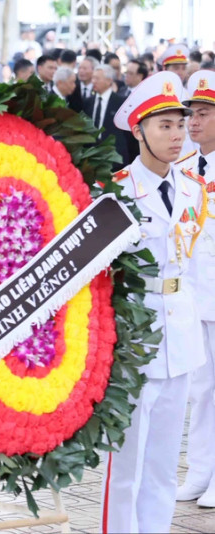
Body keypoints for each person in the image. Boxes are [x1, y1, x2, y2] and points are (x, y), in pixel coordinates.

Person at [102, 71, 205, 533]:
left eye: (180, 124)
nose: (177, 134)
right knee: (126, 467)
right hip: (132, 341)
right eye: (164, 125)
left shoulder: (193, 189)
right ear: (139, 131)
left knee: (164, 463)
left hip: (179, 338)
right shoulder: (116, 192)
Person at [174, 69, 215, 508]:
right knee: (201, 389)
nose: (194, 122)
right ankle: (201, 470)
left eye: (203, 113)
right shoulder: (184, 169)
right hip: (194, 294)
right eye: (192, 115)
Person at [83, 64, 130, 168]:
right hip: (91, 157)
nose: (93, 81)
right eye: (93, 78)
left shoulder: (121, 102)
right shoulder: (87, 102)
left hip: (114, 157)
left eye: (97, 78)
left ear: (109, 81)